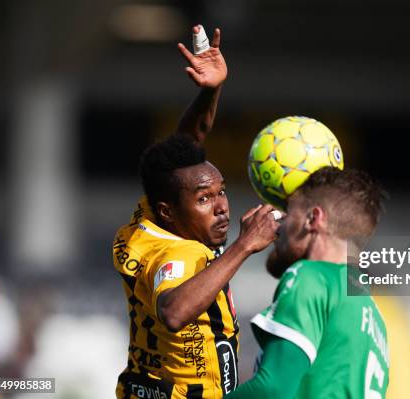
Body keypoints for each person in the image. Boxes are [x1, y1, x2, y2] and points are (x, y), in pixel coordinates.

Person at [113, 25, 280, 399]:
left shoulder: (149, 220)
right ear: (168, 212)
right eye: (205, 199)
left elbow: (181, 158)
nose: (222, 206)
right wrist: (245, 245)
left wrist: (210, 91)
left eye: (220, 192)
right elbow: (173, 312)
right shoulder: (178, 252)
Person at [226, 167, 390, 399]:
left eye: (289, 211)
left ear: (313, 218)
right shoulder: (374, 316)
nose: (279, 225)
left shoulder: (312, 277)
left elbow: (273, 388)